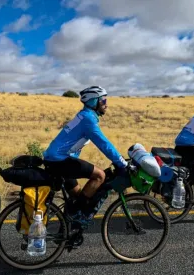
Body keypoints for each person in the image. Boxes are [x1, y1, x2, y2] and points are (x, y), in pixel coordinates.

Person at [42, 86, 131, 226]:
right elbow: (104, 144)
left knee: (78, 197)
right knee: (100, 175)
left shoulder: (84, 115)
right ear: (93, 102)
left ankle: (68, 230)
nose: (106, 104)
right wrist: (121, 163)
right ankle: (76, 216)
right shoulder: (87, 119)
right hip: (59, 160)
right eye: (103, 100)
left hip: (56, 158)